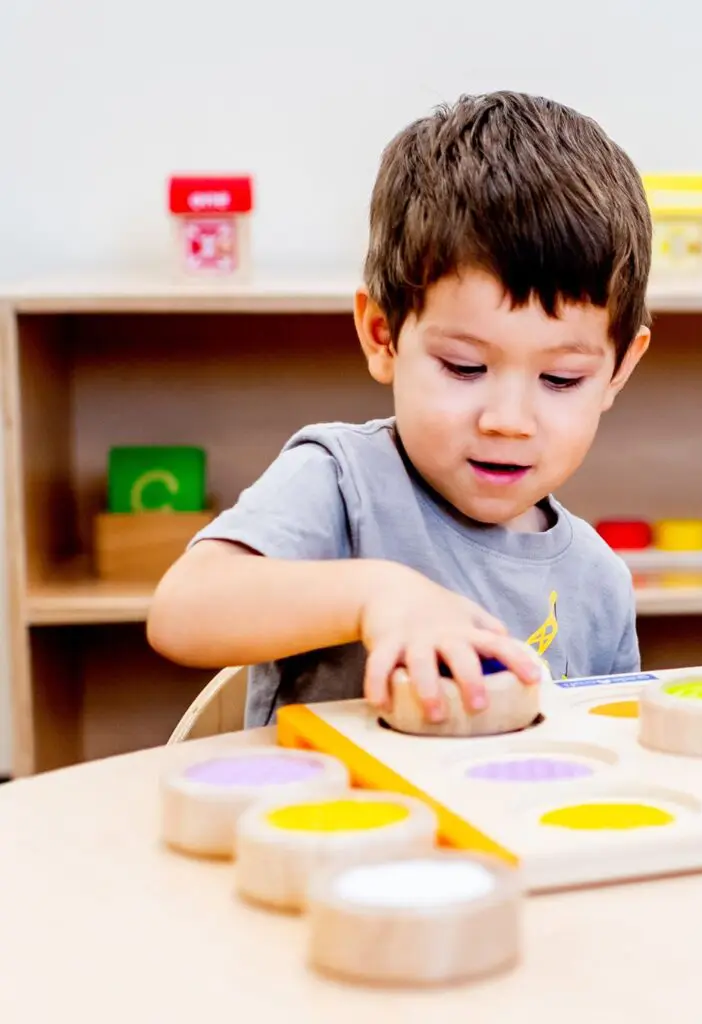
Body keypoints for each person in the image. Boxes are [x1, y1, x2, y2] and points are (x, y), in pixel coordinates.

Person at [147, 90, 652, 729]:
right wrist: (376, 595)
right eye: (465, 367)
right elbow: (182, 611)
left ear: (618, 371)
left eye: (561, 377)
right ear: (383, 334)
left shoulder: (598, 581)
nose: (509, 419)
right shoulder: (342, 482)